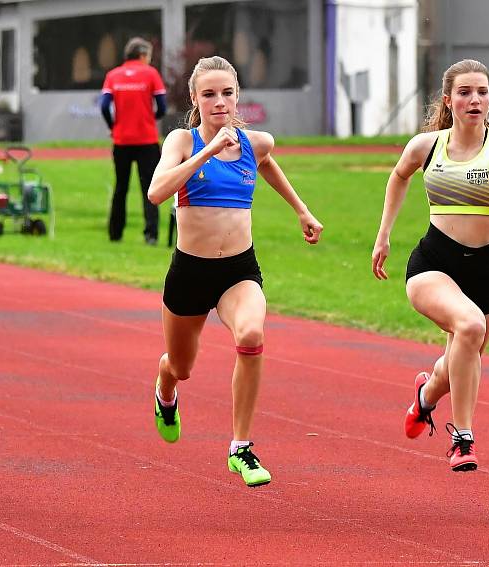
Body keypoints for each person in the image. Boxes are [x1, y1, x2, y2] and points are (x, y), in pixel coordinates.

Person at [147, 56, 323, 486]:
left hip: (238, 271)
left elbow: (266, 164)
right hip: (189, 272)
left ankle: (240, 447)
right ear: (195, 98)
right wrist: (207, 150)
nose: (219, 101)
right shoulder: (182, 141)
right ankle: (164, 388)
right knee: (182, 366)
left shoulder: (256, 142)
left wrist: (301, 210)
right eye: (209, 94)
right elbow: (155, 192)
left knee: (251, 335)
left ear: (237, 95)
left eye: (227, 93)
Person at [371, 59, 489, 472]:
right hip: (433, 263)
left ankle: (425, 397)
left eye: (481, 92)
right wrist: (383, 235)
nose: (474, 100)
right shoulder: (427, 146)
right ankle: (462, 438)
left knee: (458, 363)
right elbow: (398, 176)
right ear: (448, 100)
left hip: (487, 269)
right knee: (470, 327)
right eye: (464, 92)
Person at [101, 37, 167, 245]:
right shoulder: (151, 74)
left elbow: (104, 106)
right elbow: (162, 106)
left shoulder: (113, 76)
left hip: (121, 140)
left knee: (121, 187)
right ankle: (151, 235)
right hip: (146, 139)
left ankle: (115, 233)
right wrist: (150, 118)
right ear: (142, 55)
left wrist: (114, 125)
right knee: (150, 188)